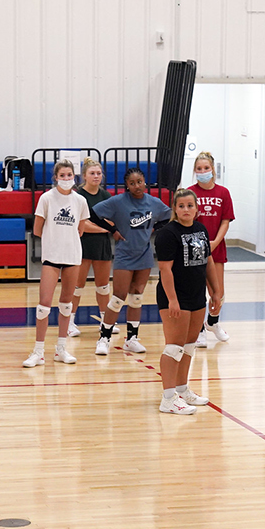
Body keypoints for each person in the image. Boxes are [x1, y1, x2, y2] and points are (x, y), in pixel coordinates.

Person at [91, 167, 171, 356]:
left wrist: (154, 229)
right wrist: (113, 230)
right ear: (127, 185)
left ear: (145, 182)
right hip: (125, 255)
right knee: (119, 297)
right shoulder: (118, 202)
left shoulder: (154, 202)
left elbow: (168, 217)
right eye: (132, 183)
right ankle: (104, 338)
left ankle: (132, 339)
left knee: (137, 297)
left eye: (140, 182)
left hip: (144, 254)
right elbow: (93, 214)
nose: (137, 186)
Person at [26, 160, 91, 367]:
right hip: (52, 258)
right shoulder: (46, 198)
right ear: (55, 177)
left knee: (66, 305)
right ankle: (38, 352)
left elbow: (80, 230)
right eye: (61, 175)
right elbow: (37, 229)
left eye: (69, 175)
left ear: (75, 177)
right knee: (44, 305)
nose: (65, 179)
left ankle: (61, 349)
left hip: (72, 257)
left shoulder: (80, 201)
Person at [155, 189, 213, 415]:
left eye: (190, 205)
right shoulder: (167, 234)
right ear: (175, 209)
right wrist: (172, 300)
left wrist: (216, 292)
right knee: (174, 346)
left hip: (197, 295)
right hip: (176, 298)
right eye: (181, 206)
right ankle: (168, 398)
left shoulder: (201, 230)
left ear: (197, 208)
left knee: (189, 345)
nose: (186, 210)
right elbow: (164, 269)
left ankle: (182, 388)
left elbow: (208, 262)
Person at [188, 151, 235, 347]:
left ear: (213, 170)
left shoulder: (223, 192)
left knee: (218, 293)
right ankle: (199, 331)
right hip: (195, 249)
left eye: (206, 168)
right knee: (197, 291)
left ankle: (212, 323)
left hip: (216, 247)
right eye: (199, 169)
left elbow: (226, 220)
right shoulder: (190, 192)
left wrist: (215, 241)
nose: (202, 172)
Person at [71, 158, 115, 339]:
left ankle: (106, 322)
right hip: (82, 243)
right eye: (92, 173)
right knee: (76, 286)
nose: (96, 176)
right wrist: (104, 228)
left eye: (98, 173)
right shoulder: (77, 196)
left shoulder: (106, 196)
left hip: (102, 245)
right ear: (84, 176)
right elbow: (81, 224)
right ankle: (70, 321)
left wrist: (105, 226)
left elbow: (114, 220)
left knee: (103, 286)